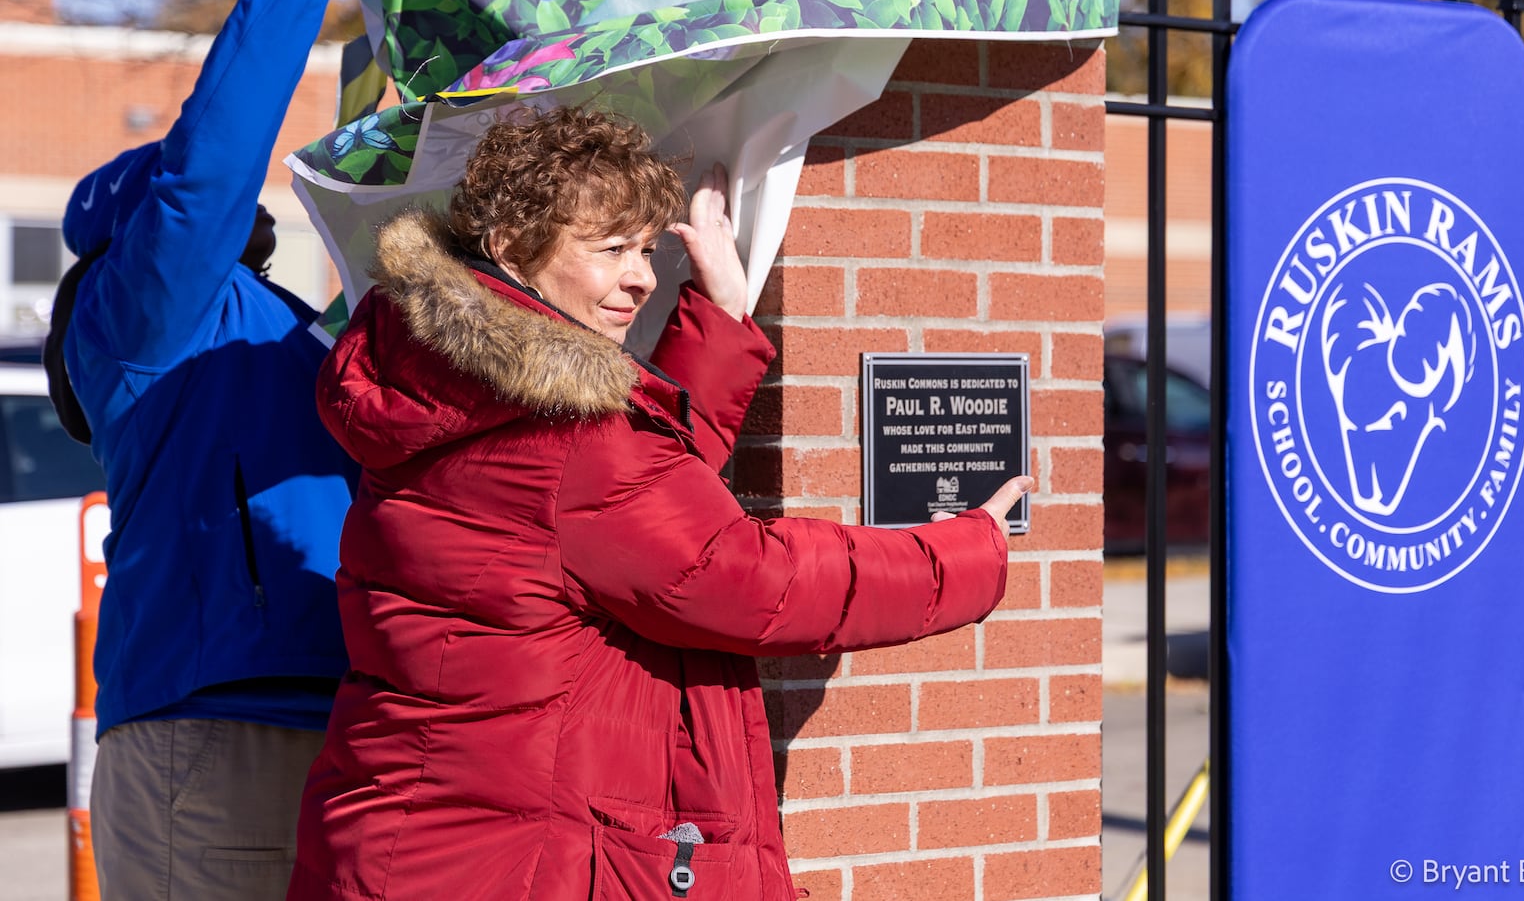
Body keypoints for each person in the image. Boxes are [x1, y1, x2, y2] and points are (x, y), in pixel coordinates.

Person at [287, 105, 1031, 900]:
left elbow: (639, 517)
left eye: (645, 248)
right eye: (611, 249)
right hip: (511, 862)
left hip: (404, 840)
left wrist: (719, 317)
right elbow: (746, 576)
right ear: (510, 247)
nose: (642, 275)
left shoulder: (438, 377)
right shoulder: (571, 441)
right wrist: (967, 548)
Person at [57, 0, 357, 900]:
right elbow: (210, 165)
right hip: (213, 730)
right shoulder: (142, 309)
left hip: (327, 715)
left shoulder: (282, 324)